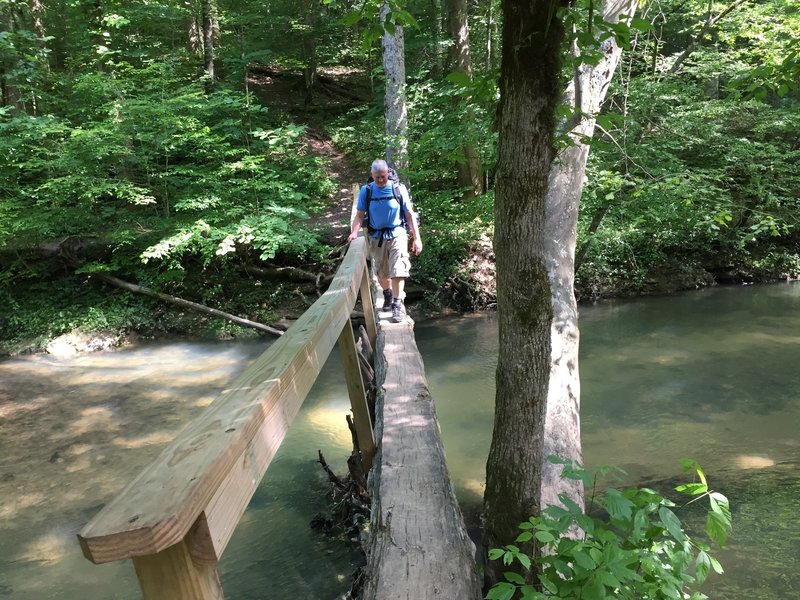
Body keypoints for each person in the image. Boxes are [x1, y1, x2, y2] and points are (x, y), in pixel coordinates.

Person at [348, 159, 422, 323]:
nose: (380, 180)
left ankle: (396, 305)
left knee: (398, 270)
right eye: (377, 177)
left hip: (398, 234)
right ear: (372, 175)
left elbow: (409, 215)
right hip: (377, 237)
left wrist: (417, 238)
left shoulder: (398, 189)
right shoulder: (366, 191)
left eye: (383, 176)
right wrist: (354, 232)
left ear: (387, 173)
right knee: (381, 274)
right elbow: (360, 215)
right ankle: (387, 293)